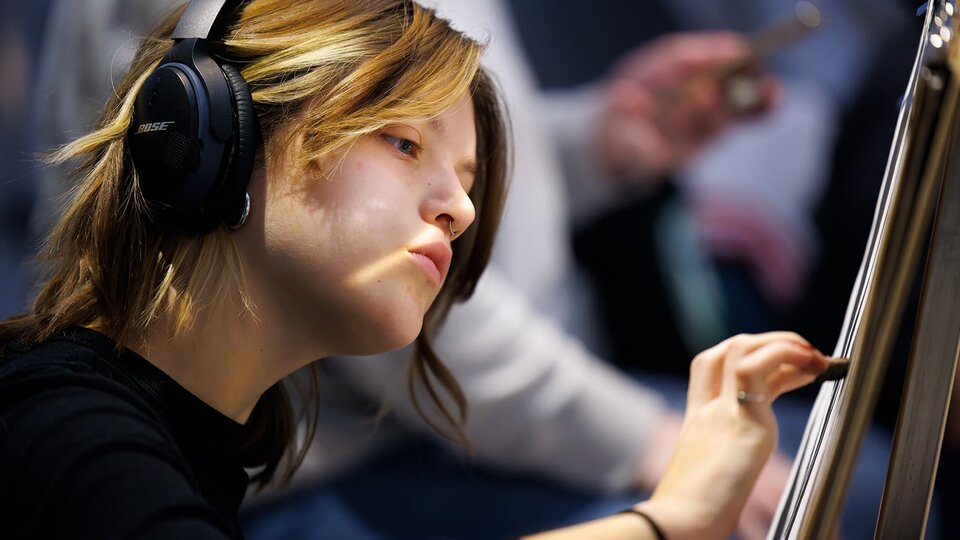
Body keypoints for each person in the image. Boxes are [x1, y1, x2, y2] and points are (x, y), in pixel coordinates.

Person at [0, 1, 832, 539]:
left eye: (468, 183)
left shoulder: (225, 442)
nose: (462, 212)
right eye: (404, 143)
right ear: (212, 137)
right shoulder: (59, 428)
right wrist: (662, 523)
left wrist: (598, 144)